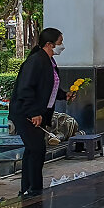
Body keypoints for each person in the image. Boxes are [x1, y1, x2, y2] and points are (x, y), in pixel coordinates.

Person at [10, 28, 72, 197]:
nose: (62, 46)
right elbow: (25, 89)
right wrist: (34, 113)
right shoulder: (35, 62)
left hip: (38, 113)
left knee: (33, 150)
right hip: (26, 114)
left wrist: (63, 94)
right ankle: (34, 190)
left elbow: (49, 86)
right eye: (60, 43)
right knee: (37, 149)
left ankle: (28, 188)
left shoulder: (49, 61)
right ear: (49, 44)